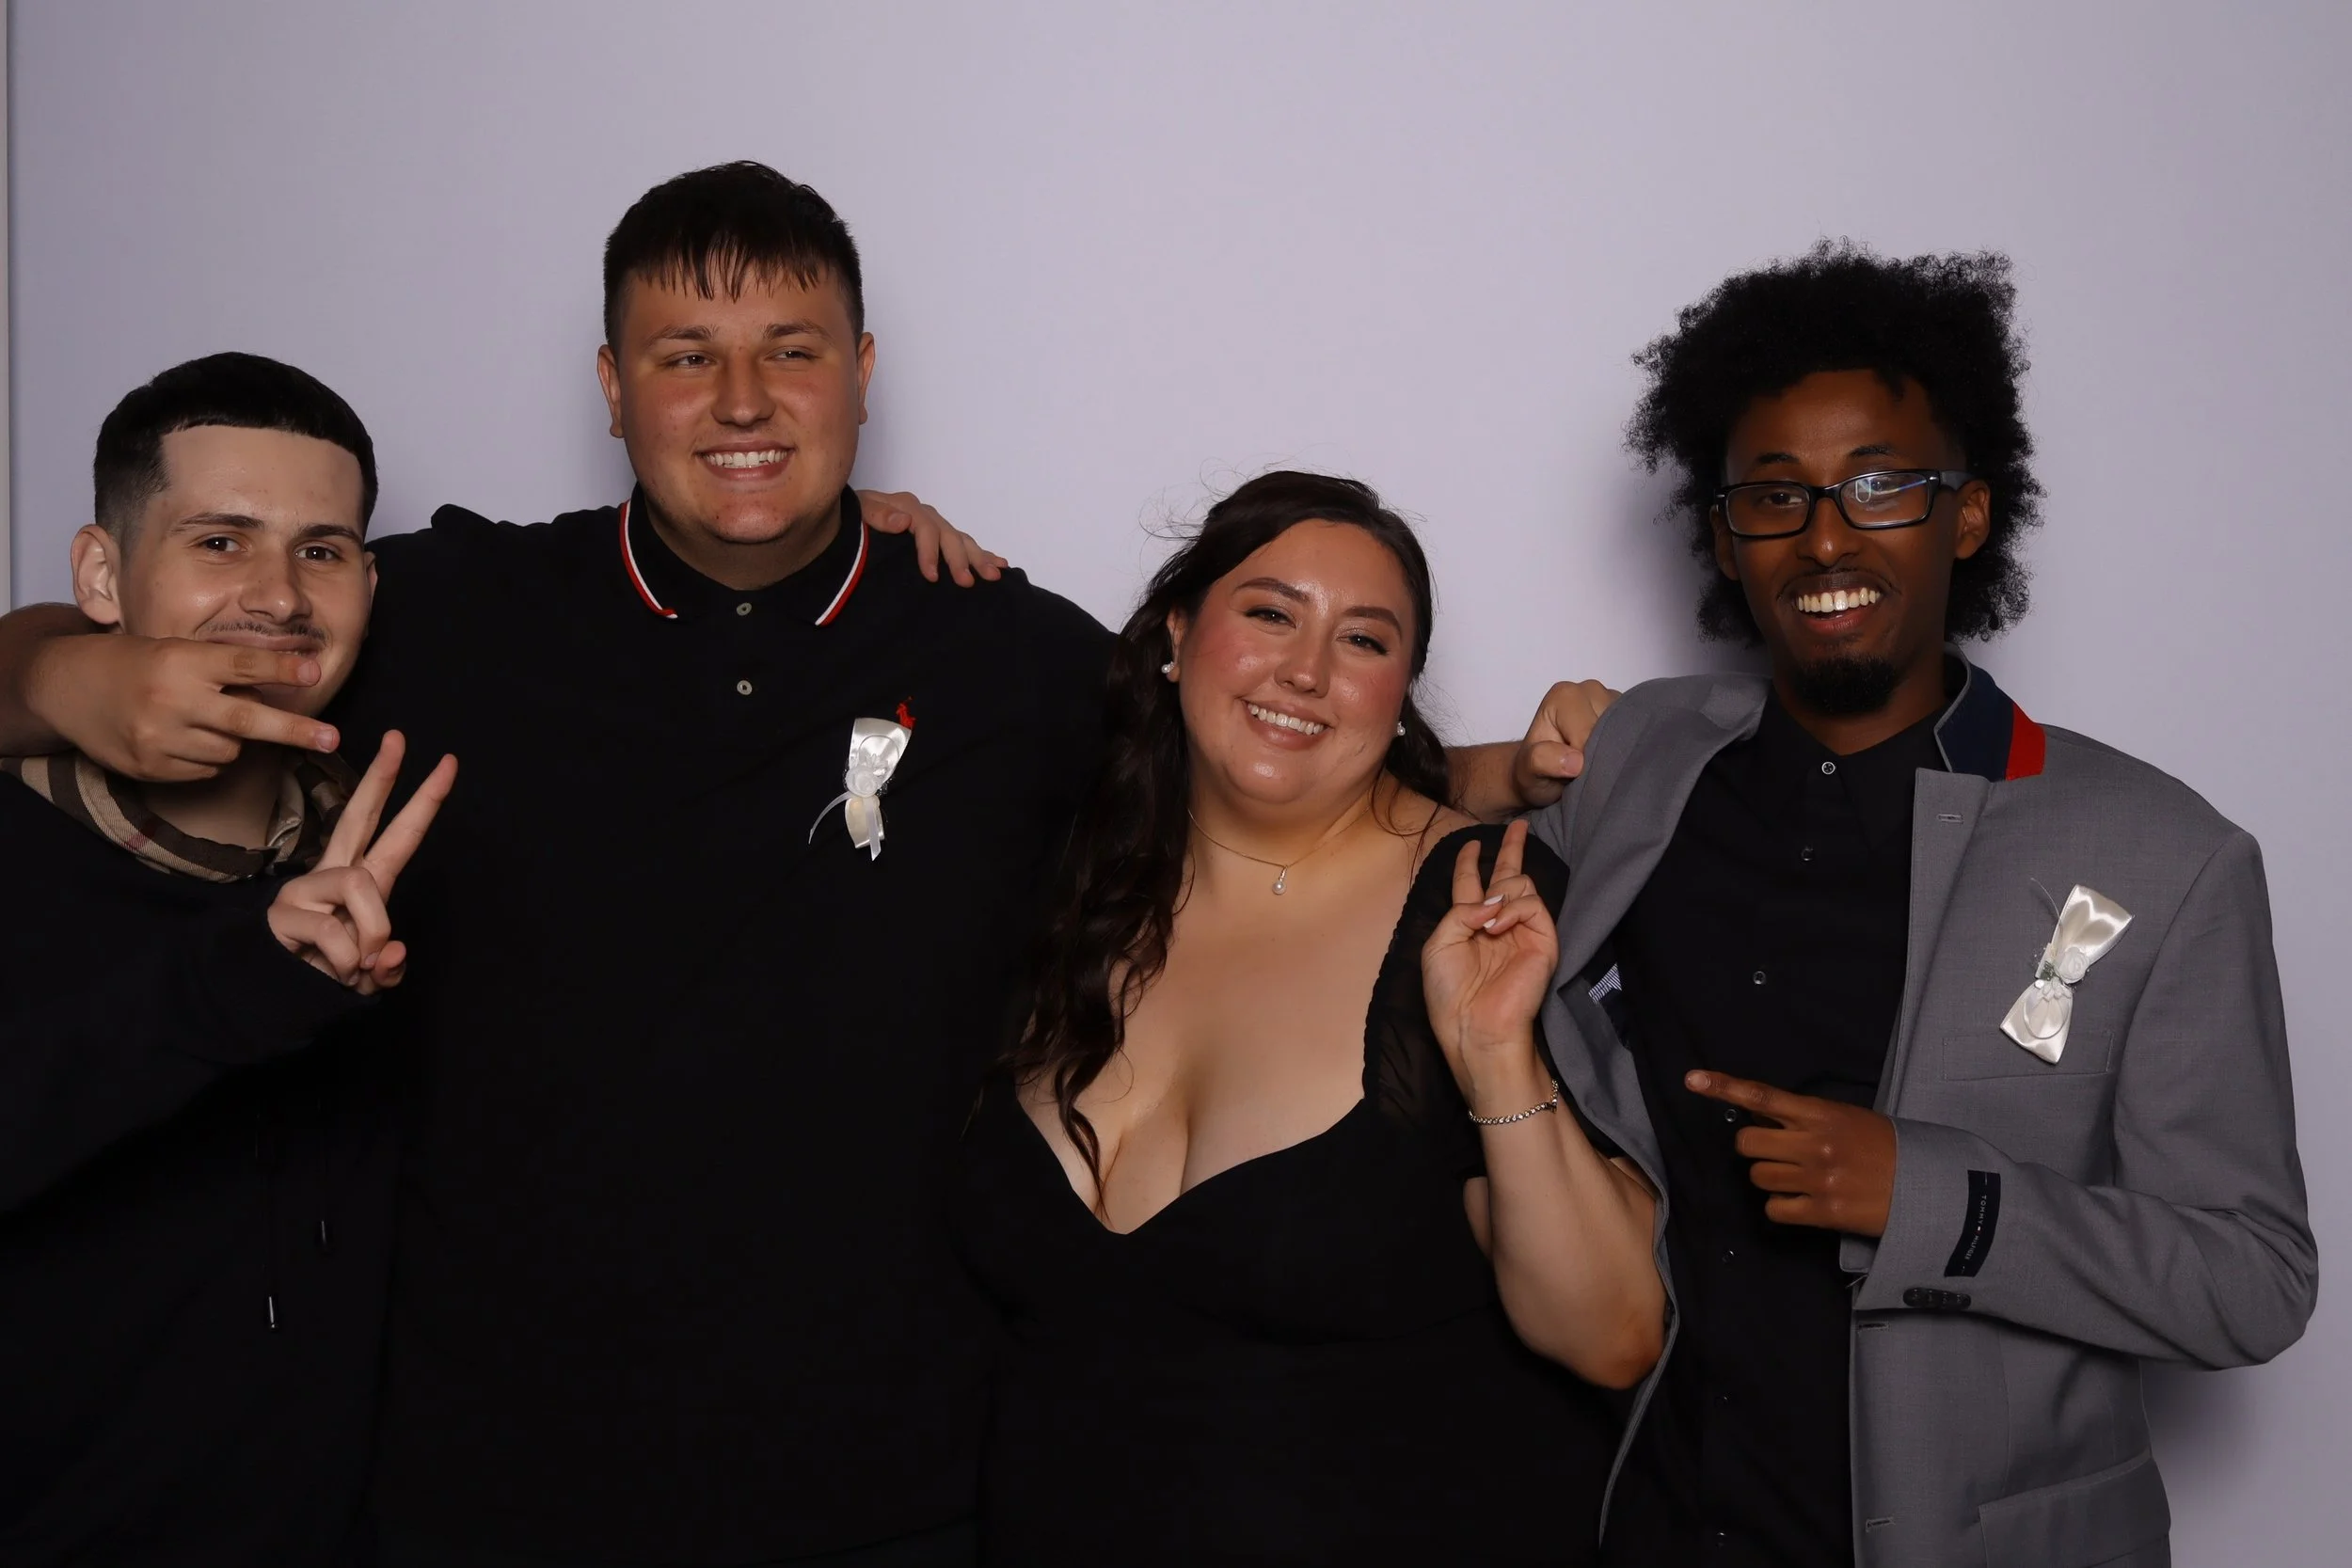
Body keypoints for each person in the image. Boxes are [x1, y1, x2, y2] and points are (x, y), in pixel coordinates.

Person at [0, 166, 1597, 1565]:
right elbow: (198, 632)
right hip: (488, 1488)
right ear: (614, 387)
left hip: (899, 1493)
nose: (745, 402)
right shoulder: (445, 612)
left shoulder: (998, 649)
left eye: (792, 353)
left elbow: (1265, 758)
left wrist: (1512, 776)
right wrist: (64, 675)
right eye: (689, 358)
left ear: (861, 379)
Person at [1526, 244, 2316, 1567]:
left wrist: (1930, 1196)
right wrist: (1490, 761)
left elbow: (2255, 1279)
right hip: (1654, 1520)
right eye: (1775, 496)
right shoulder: (1648, 754)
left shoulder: (2167, 854)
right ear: (1725, 535)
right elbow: (1385, 833)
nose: (1826, 534)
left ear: (1967, 513)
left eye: (1882, 484)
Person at [954, 471, 1663, 1566]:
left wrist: (1498, 1062)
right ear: (1177, 634)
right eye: (1270, 612)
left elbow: (1613, 1336)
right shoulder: (1066, 870)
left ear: (1400, 692)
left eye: (1365, 641)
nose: (1306, 671)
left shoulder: (1484, 902)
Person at [0, 353, 455, 1565]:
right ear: (101, 574)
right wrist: (241, 980)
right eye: (219, 542)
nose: (279, 595)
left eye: (323, 549)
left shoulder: (395, 842)